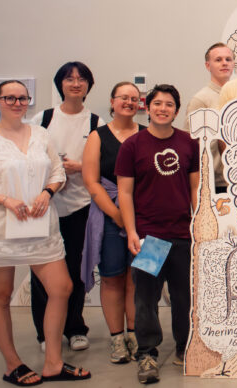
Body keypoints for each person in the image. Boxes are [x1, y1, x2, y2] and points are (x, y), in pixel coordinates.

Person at [0, 80, 90, 385]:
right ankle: (12, 363)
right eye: (9, 98)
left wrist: (47, 192)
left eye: (22, 98)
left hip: (38, 224)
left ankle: (54, 362)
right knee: (0, 296)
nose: (17, 103)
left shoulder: (41, 135)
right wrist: (4, 200)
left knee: (61, 287)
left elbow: (56, 171)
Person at [116, 85, 199, 384]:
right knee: (145, 299)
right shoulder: (133, 146)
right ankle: (147, 353)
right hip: (149, 237)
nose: (163, 108)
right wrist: (131, 232)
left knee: (183, 298)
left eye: (169, 104)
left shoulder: (189, 143)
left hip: (182, 235)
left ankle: (184, 347)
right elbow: (124, 193)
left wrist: (198, 225)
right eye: (157, 103)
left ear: (176, 110)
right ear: (147, 108)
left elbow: (194, 188)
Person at [29, 62, 99, 354]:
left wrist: (80, 167)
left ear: (88, 85)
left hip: (81, 206)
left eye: (81, 79)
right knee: (43, 271)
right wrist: (55, 169)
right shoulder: (43, 118)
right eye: (69, 79)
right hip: (44, 205)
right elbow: (29, 158)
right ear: (60, 84)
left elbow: (101, 165)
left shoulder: (96, 122)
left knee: (76, 270)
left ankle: (74, 328)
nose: (75, 83)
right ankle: (46, 334)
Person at [81, 82, 144, 364]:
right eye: (124, 98)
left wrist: (133, 219)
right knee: (111, 276)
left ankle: (135, 334)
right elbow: (92, 183)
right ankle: (117, 338)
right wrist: (118, 216)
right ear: (112, 101)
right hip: (108, 215)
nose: (129, 102)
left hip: (144, 216)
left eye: (134, 98)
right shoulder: (98, 136)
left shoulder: (146, 134)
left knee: (138, 279)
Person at [184, 43, 234, 192]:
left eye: (228, 59)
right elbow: (190, 143)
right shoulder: (201, 99)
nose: (224, 63)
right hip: (216, 183)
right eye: (218, 60)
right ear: (208, 65)